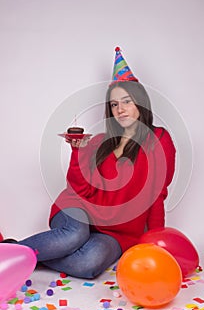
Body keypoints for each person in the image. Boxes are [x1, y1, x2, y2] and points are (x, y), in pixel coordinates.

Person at [2, 48, 176, 279]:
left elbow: (157, 194)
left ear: (141, 103)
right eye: (114, 105)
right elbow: (78, 190)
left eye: (127, 101)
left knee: (89, 263)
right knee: (74, 236)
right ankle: (8, 255)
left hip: (118, 233)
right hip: (77, 210)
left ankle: (28, 254)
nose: (120, 109)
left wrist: (155, 243)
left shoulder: (159, 140)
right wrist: (77, 152)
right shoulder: (98, 142)